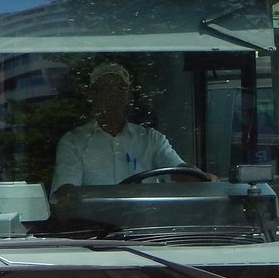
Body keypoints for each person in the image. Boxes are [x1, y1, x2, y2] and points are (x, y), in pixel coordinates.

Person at [51, 62, 196, 196]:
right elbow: (66, 192)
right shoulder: (73, 142)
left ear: (128, 96)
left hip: (147, 222)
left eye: (119, 90)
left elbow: (179, 171)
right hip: (93, 223)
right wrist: (72, 201)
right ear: (92, 96)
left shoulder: (152, 139)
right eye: (105, 89)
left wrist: (200, 177)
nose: (112, 96)